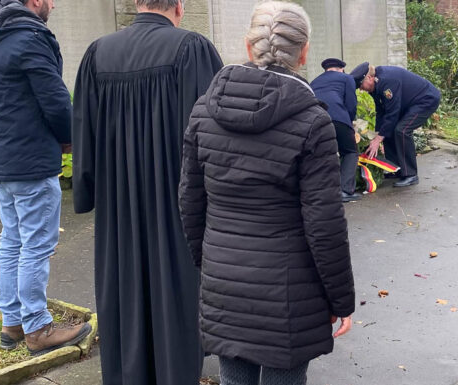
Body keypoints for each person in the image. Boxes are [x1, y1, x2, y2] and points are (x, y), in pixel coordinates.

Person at [178, 2, 355, 384]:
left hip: (224, 279)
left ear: (248, 46)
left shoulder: (203, 112)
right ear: (304, 52)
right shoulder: (313, 121)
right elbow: (324, 222)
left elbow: (190, 203)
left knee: (234, 378)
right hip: (289, 291)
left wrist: (210, 264)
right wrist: (340, 299)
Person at [71, 0, 223, 383]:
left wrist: (87, 190)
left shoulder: (97, 54)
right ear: (179, 6)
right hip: (176, 199)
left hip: (118, 200)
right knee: (176, 288)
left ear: (137, 2)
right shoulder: (192, 49)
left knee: (125, 286)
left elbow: (83, 130)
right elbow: (213, 133)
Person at [0, 0, 91, 356]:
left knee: (12, 241)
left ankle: (13, 324)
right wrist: (71, 140)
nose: (53, 4)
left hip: (0, 159)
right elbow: (54, 100)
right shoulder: (29, 38)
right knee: (36, 244)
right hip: (30, 159)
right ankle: (37, 327)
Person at [349, 62, 440, 187]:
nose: (360, 88)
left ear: (369, 78)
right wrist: (377, 135)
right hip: (409, 103)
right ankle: (395, 169)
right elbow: (381, 110)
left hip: (425, 100)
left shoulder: (387, 82)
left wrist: (378, 139)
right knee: (386, 131)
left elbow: (393, 113)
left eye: (360, 84)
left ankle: (410, 174)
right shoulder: (375, 85)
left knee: (402, 130)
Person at [311, 58, 360, 202]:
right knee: (350, 152)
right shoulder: (346, 78)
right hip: (338, 118)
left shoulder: (314, 82)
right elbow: (351, 103)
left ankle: (323, 191)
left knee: (323, 155)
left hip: (316, 121)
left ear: (326, 70)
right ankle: (345, 191)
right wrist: (350, 122)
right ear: (341, 69)